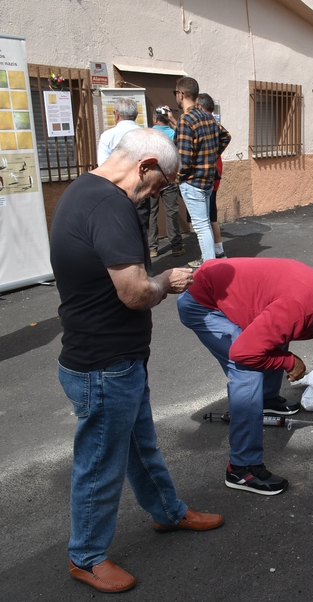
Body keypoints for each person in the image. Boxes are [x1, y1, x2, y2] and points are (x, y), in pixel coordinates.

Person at [50, 128, 224, 594]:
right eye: (161, 185)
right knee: (101, 462)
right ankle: (85, 556)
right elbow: (133, 293)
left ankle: (168, 512)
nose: (157, 194)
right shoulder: (112, 206)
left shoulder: (84, 188)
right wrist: (166, 280)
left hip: (110, 359)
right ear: (145, 166)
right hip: (103, 363)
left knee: (138, 444)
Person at [177, 258, 313, 496]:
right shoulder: (298, 308)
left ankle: (266, 400)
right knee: (247, 373)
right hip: (203, 302)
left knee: (277, 334)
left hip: (237, 296)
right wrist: (288, 361)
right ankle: (241, 468)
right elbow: (243, 353)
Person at [174, 76, 231, 267]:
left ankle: (210, 267)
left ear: (181, 94)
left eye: (176, 93)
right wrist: (212, 156)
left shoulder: (186, 120)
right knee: (205, 223)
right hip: (207, 180)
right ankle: (211, 263)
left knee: (201, 226)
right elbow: (226, 136)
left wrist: (178, 179)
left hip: (193, 182)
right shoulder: (207, 117)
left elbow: (184, 159)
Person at [141, 106, 184, 258]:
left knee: (152, 212)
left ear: (155, 119)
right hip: (169, 179)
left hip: (152, 179)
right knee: (171, 212)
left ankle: (152, 248)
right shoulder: (173, 134)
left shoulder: (148, 135)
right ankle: (176, 246)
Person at [196, 93, 227, 259]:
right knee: (210, 216)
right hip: (214, 174)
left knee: (204, 220)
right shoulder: (213, 122)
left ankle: (210, 258)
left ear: (200, 107)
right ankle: (218, 251)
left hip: (205, 176)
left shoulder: (203, 122)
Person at [96, 97, 140, 165]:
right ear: (136, 115)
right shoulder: (147, 134)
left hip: (115, 174)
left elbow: (103, 164)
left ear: (116, 114)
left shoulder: (107, 135)